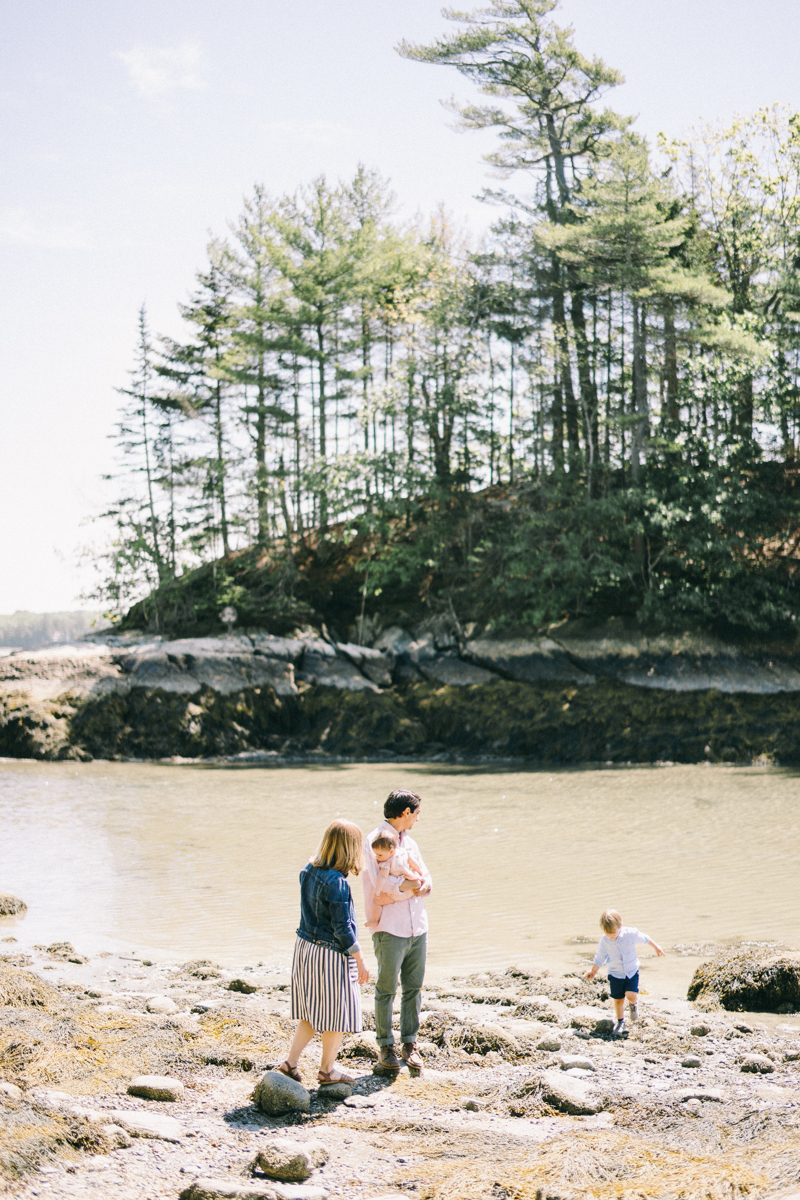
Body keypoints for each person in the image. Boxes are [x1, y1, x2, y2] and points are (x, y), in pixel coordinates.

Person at [277, 819, 370, 1086]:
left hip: (305, 948)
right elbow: (342, 928)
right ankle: (327, 1071)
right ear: (350, 848)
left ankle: (290, 1064)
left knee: (311, 1011)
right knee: (336, 1015)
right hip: (330, 955)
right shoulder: (337, 883)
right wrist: (359, 958)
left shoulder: (308, 869)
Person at [363, 788, 432, 1074]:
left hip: (418, 926)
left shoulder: (411, 843)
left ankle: (409, 1044)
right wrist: (406, 889)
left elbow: (425, 876)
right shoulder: (373, 841)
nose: (418, 818)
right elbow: (376, 890)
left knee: (414, 988)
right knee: (386, 989)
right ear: (405, 813)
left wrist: (425, 885)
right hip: (389, 927)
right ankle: (385, 1047)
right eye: (416, 813)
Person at [585, 908, 665, 1035]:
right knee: (618, 999)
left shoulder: (629, 933)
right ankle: (620, 1022)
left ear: (620, 926)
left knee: (630, 995)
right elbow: (600, 957)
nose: (610, 935)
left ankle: (633, 1004)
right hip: (615, 974)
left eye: (612, 932)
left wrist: (656, 947)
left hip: (631, 971)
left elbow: (644, 938)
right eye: (607, 933)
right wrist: (593, 971)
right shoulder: (605, 941)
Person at [365, 829, 425, 930]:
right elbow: (414, 863)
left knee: (377, 901)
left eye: (379, 855)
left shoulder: (387, 863)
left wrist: (377, 890)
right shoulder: (404, 852)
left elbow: (382, 878)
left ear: (391, 851)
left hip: (397, 893)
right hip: (410, 887)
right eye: (376, 855)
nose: (377, 858)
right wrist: (420, 873)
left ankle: (374, 920)